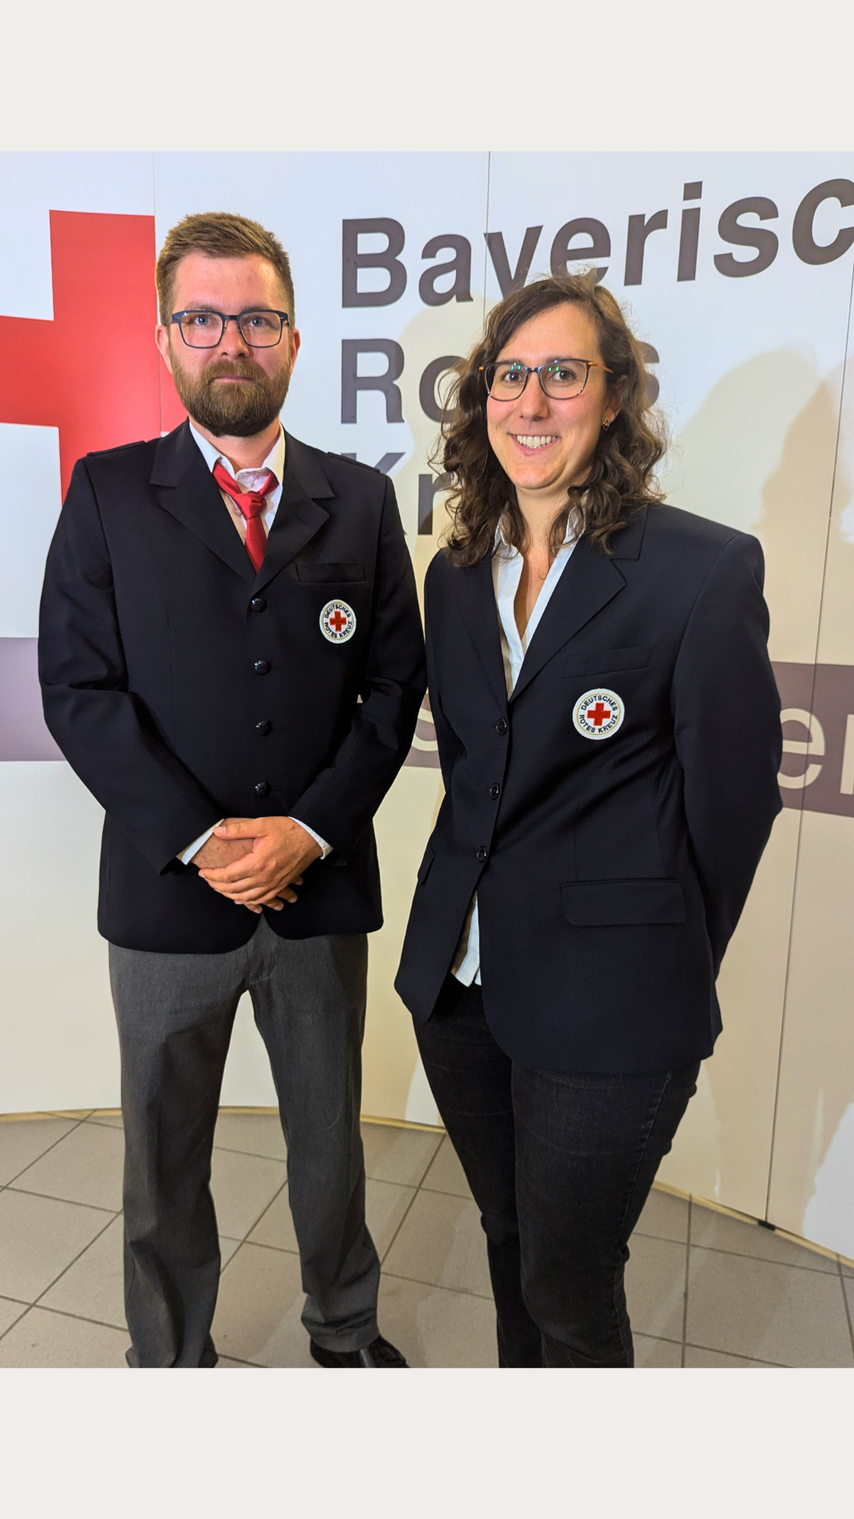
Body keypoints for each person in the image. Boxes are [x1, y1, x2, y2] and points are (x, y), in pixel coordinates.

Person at [39, 212, 426, 1369]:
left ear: (294, 340)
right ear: (167, 341)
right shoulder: (107, 493)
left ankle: (343, 1328)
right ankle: (170, 1355)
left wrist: (305, 828)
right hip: (168, 900)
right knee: (162, 1154)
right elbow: (79, 688)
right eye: (202, 318)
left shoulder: (358, 500)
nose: (231, 341)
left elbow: (392, 682)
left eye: (255, 318)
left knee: (328, 1140)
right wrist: (206, 838)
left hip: (317, 889)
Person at [395, 272, 782, 1368]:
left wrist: (656, 954)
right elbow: (473, 774)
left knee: (569, 1285)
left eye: (560, 374)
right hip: (460, 989)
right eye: (506, 376)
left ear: (611, 398)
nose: (529, 401)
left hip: (609, 1009)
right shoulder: (456, 576)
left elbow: (732, 805)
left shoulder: (699, 572)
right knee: (511, 1239)